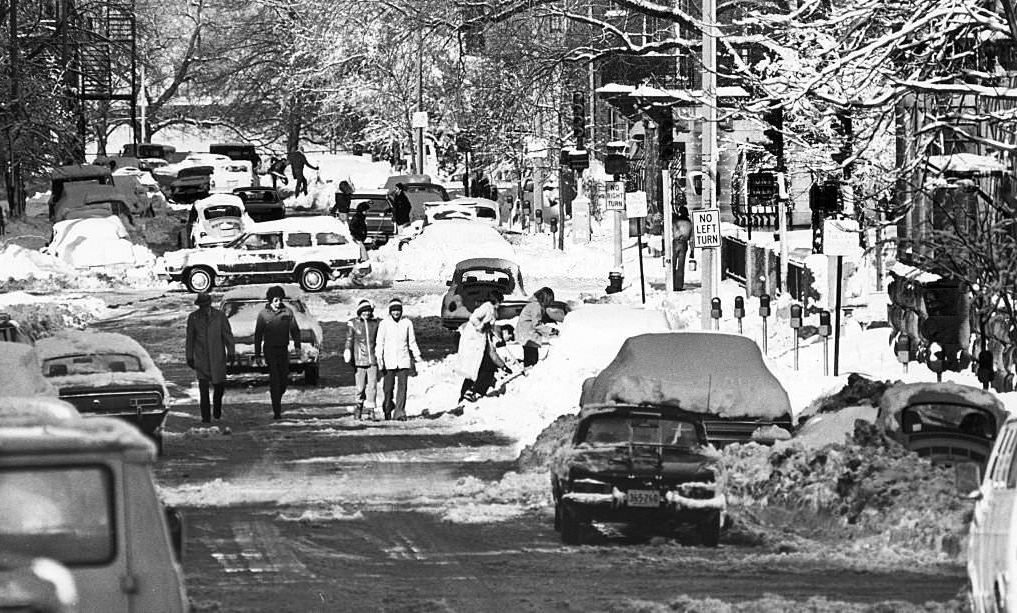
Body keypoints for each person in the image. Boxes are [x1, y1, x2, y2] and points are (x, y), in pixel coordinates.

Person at [185, 293, 235, 423]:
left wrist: (231, 352)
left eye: (206, 305)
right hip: (201, 358)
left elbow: (227, 335)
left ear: (210, 304)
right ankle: (205, 417)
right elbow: (190, 339)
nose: (204, 308)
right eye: (201, 306)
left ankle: (217, 411)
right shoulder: (193, 317)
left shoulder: (219, 316)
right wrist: (189, 357)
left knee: (219, 387)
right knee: (203, 388)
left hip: (217, 357)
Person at [253, 285, 302, 420]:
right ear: (270, 301)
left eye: (280, 299)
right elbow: (258, 335)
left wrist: (297, 346)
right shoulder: (263, 314)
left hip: (282, 349)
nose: (278, 302)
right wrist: (257, 354)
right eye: (275, 300)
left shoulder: (287, 312)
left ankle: (277, 397)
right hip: (269, 349)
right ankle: (277, 410)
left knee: (284, 380)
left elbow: (295, 330)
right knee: (275, 377)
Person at [456, 290, 511, 402]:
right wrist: (482, 326)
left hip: (479, 341)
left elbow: (491, 330)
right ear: (496, 300)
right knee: (482, 368)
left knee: (476, 369)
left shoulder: (491, 309)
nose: (500, 305)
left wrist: (498, 338)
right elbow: (473, 318)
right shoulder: (487, 307)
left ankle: (465, 395)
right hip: (474, 341)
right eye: (500, 302)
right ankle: (472, 393)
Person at [375, 297, 421, 420]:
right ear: (390, 311)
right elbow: (380, 343)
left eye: (398, 310)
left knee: (402, 388)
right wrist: (379, 358)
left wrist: (417, 355)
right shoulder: (384, 324)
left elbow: (412, 341)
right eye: (394, 310)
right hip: (388, 361)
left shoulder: (407, 323)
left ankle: (399, 412)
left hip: (403, 359)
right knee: (388, 389)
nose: (396, 313)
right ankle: (388, 407)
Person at [343, 298, 380, 420]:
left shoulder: (375, 323)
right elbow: (349, 339)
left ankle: (371, 409)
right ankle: (359, 406)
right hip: (359, 359)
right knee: (360, 386)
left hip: (373, 359)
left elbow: (380, 339)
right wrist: (348, 350)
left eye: (369, 311)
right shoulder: (353, 323)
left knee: (372, 386)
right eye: (364, 311)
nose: (367, 313)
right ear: (359, 312)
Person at [515, 286, 558, 369]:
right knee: (532, 360)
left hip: (525, 334)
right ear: (545, 299)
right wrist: (551, 330)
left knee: (529, 356)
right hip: (529, 335)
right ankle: (529, 374)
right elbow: (537, 324)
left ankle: (528, 370)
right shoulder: (536, 306)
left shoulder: (533, 304)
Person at [672, 205, 694, 290]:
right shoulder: (689, 223)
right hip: (684, 244)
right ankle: (679, 285)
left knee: (672, 264)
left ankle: (672, 283)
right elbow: (691, 239)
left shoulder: (675, 222)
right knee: (681, 265)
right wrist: (692, 251)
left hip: (675, 243)